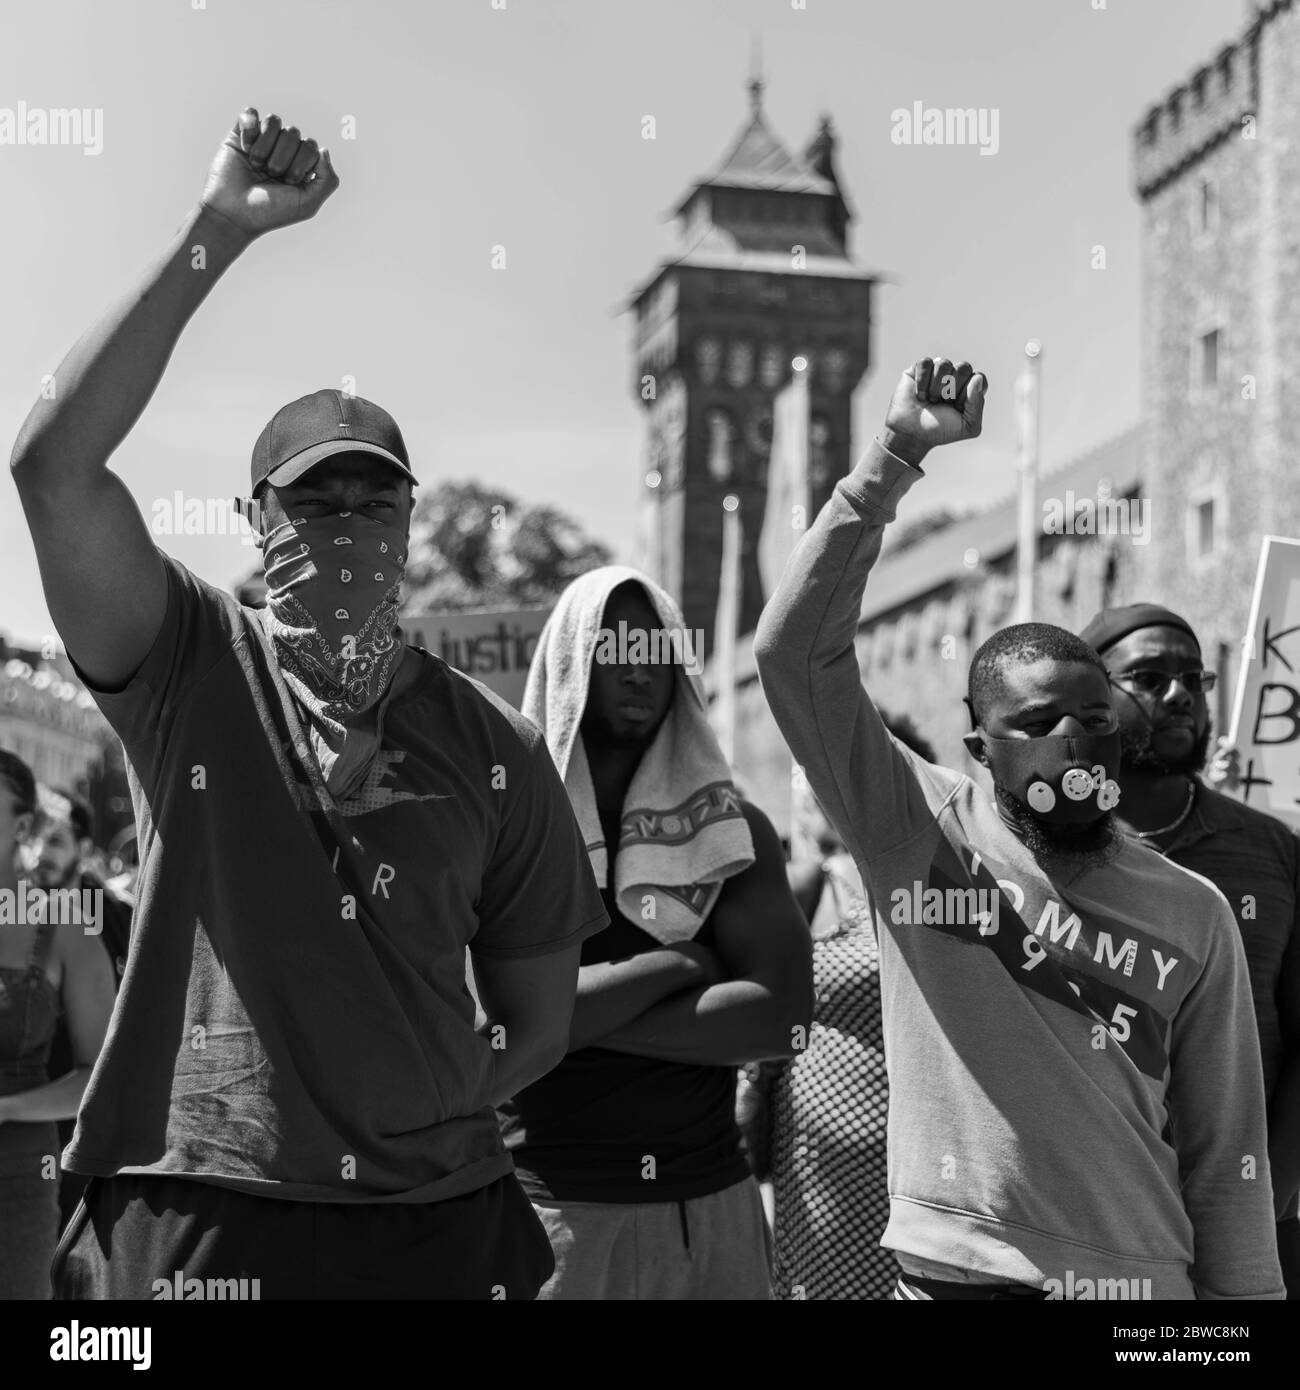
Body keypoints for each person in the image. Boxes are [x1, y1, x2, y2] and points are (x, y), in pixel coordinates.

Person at [11, 107, 608, 1300]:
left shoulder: (500, 747)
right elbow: (52, 465)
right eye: (311, 502)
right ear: (255, 524)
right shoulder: (189, 661)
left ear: (410, 522)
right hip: (198, 1209)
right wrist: (218, 230)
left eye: (372, 502)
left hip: (436, 1220)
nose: (346, 526)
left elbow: (536, 1021)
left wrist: (410, 1092)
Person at [753, 354, 1285, 1300]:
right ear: (978, 748)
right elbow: (795, 652)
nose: (1070, 744)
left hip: (1143, 1299)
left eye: (1090, 719)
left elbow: (1224, 1160)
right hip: (960, 1281)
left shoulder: (1196, 913)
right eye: (1034, 727)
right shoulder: (913, 833)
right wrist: (897, 454)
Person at [497, 569, 812, 1299]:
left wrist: (565, 1019)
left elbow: (781, 1020)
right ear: (571, 663)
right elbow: (491, 1019)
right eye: (613, 645)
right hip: (551, 1211)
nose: (637, 665)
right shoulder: (506, 830)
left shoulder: (734, 834)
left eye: (654, 646)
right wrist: (677, 964)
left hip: (709, 1210)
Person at [1078, 603, 1300, 1298]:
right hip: (1084, 1223)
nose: (1179, 695)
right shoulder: (1043, 852)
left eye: (1193, 678)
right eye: (1147, 676)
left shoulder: (1269, 850)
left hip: (1248, 1221)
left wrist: (1267, 1195)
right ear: (1092, 698)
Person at [747, 714, 937, 1302]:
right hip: (818, 1160)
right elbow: (762, 1010)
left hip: (921, 1152)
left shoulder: (940, 885)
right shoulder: (807, 886)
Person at [0, 751, 115, 1299]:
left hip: (18, 1171)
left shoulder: (64, 927)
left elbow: (99, 1076)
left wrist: (5, 1109)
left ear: (21, 824)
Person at [24, 786, 133, 1230]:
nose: (39, 855)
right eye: (32, 839)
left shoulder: (119, 918)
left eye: (54, 840)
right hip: (28, 1118)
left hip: (91, 1128)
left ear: (83, 849)